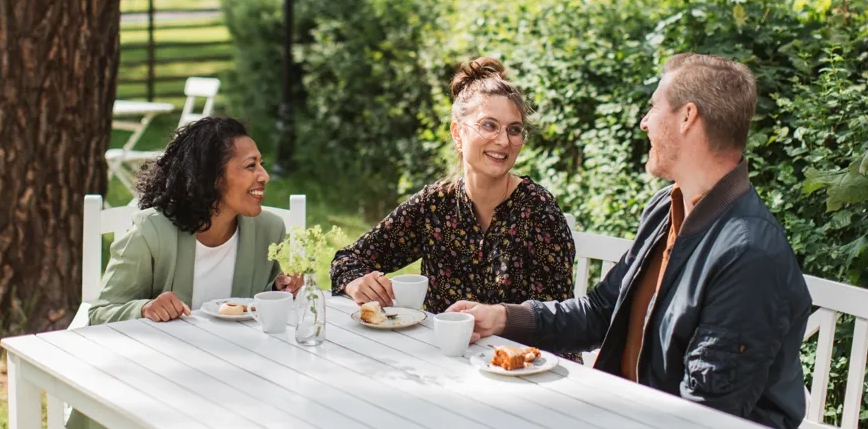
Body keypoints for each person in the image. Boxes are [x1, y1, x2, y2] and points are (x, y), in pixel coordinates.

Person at [448, 53, 812, 429]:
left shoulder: (748, 254)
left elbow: (705, 415)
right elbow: (601, 312)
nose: (644, 122)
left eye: (654, 107)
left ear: (687, 117)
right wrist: (503, 316)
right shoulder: (667, 208)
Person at [329, 57, 576, 317]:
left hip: (513, 346)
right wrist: (356, 283)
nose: (504, 141)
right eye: (489, 125)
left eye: (514, 130)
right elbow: (347, 260)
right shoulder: (434, 205)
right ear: (458, 133)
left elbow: (558, 319)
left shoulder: (538, 210)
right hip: (438, 344)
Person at [88, 116, 301, 325]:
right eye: (251, 166)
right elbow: (100, 313)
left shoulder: (268, 230)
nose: (265, 176)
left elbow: (255, 303)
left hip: (239, 347)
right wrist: (145, 309)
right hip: (169, 347)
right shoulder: (151, 233)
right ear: (212, 176)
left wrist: (278, 290)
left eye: (261, 164)